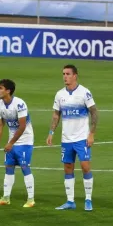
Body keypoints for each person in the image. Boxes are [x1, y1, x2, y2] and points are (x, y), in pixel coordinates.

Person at [46, 64, 98, 211]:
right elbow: (56, 114)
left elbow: (94, 112)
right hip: (66, 138)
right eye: (63, 74)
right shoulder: (59, 94)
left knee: (85, 166)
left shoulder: (84, 93)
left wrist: (92, 133)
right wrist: (51, 132)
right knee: (68, 167)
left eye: (68, 74)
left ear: (75, 75)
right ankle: (70, 201)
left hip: (82, 138)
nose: (65, 77)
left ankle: (88, 199)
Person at [0, 79, 35, 207]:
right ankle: (6, 197)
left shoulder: (19, 103)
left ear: (8, 90)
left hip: (25, 140)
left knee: (24, 167)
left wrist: (10, 143)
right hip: (12, 141)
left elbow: (22, 126)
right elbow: (0, 125)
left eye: (1, 88)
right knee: (8, 167)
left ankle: (31, 199)